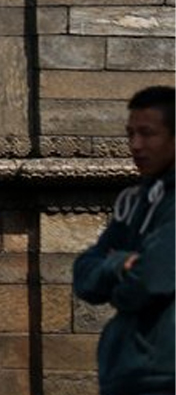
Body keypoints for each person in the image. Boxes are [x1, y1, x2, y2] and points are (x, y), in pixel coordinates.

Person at [74, 84, 174, 395]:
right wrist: (119, 265)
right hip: (131, 372)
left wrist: (114, 269)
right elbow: (84, 274)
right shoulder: (135, 201)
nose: (136, 145)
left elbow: (150, 279)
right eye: (130, 134)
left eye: (147, 133)